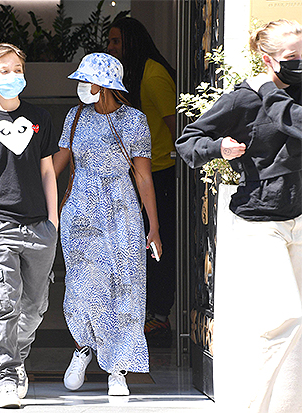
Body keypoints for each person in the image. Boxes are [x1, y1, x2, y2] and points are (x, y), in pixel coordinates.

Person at [176, 19, 302, 412]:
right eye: (292, 57)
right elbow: (187, 141)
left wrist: (270, 89)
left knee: (295, 328)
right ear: (268, 59)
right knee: (284, 319)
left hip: (299, 217)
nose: (301, 62)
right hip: (259, 221)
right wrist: (218, 148)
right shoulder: (243, 100)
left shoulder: (291, 95)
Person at [53, 53, 161, 396]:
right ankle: (83, 348)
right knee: (82, 288)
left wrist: (154, 226)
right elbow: (55, 167)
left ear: (105, 85)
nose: (82, 87)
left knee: (126, 287)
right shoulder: (75, 117)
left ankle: (118, 369)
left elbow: (143, 178)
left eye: (88, 81)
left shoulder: (134, 121)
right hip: (80, 212)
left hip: (121, 210)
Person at [0, 43, 59, 408]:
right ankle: (6, 376)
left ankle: (17, 355)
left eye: (17, 68)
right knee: (6, 304)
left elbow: (48, 170)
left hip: (40, 228)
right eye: (3, 71)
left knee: (34, 307)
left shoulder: (40, 118)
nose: (12, 76)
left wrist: (53, 220)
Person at [108, 17, 177, 346]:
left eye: (117, 42)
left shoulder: (153, 75)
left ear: (132, 43)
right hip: (138, 172)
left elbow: (175, 125)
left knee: (158, 243)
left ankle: (160, 316)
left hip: (160, 171)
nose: (111, 48)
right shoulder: (133, 74)